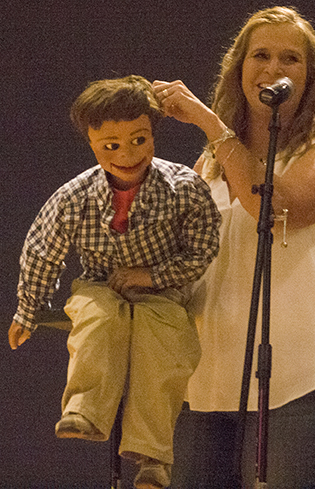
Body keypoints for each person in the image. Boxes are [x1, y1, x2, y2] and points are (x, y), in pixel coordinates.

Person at [153, 6, 315, 489]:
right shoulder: (209, 164)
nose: (273, 68)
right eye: (260, 55)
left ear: (310, 79)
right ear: (238, 69)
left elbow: (271, 207)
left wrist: (209, 122)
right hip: (206, 386)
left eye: (291, 58)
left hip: (301, 387)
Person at [8, 75, 221, 489]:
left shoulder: (183, 188)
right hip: (99, 284)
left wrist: (153, 276)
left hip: (162, 291)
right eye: (112, 146)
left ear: (153, 135)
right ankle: (86, 409)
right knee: (98, 319)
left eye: (139, 140)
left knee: (165, 342)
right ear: (92, 143)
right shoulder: (76, 196)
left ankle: (154, 454)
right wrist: (28, 309)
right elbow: (42, 249)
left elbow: (202, 248)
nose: (127, 154)